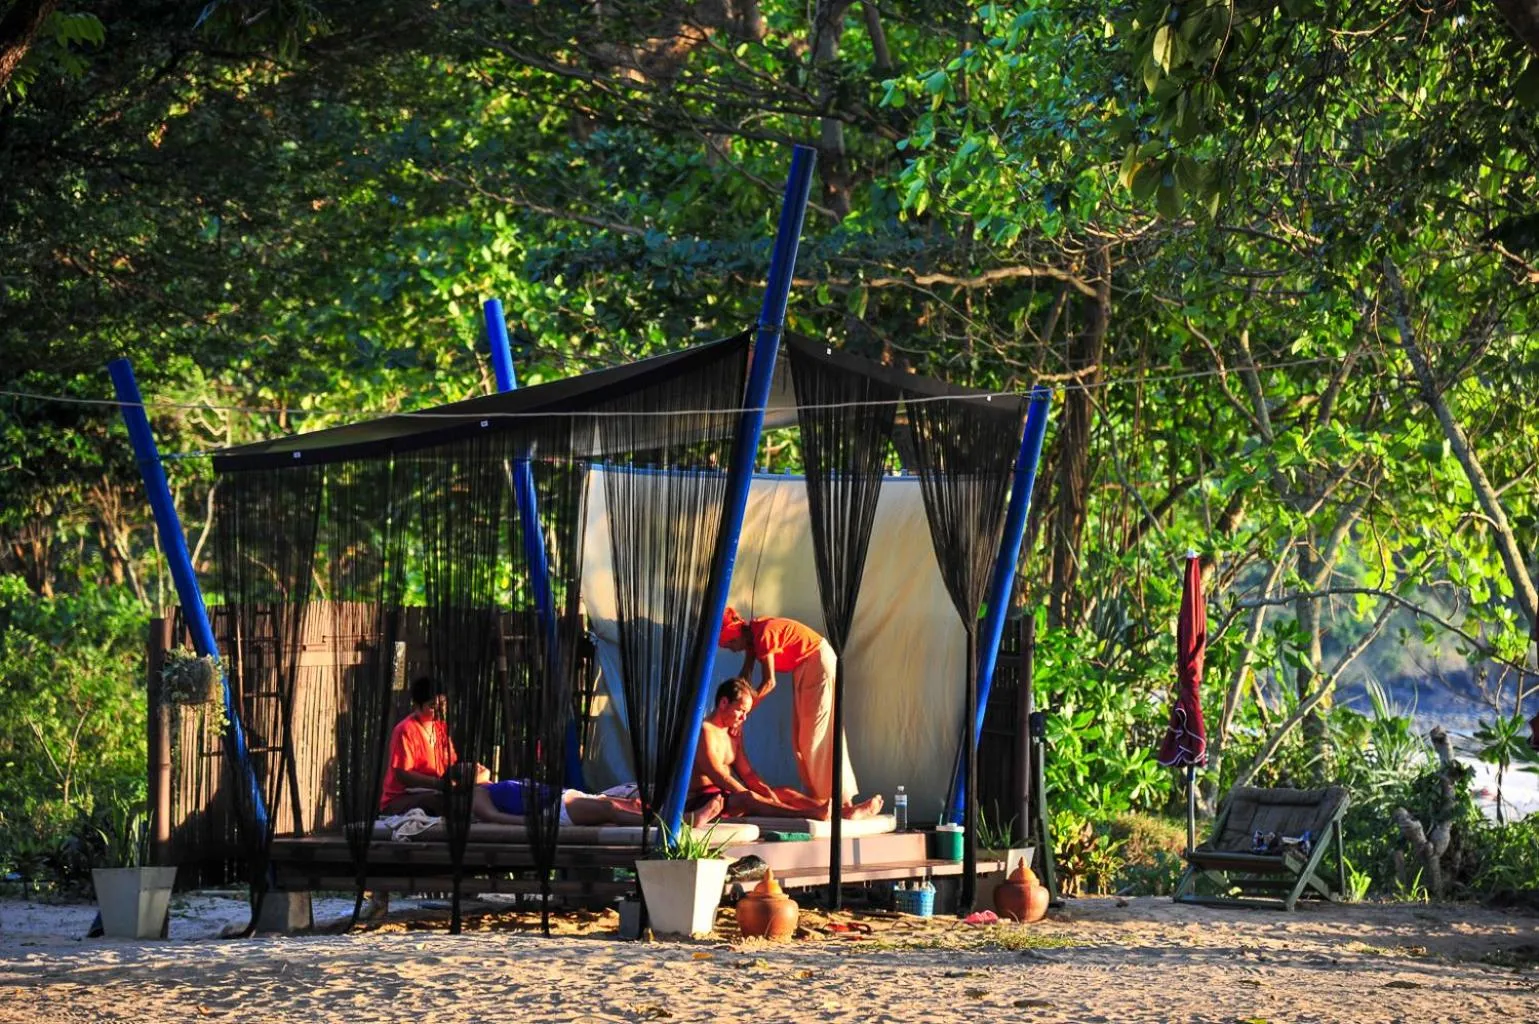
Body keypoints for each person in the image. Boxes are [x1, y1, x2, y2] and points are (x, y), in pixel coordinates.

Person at [718, 607, 859, 805]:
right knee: (800, 740)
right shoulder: (752, 640)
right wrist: (730, 704)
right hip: (805, 666)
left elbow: (769, 682)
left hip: (817, 661)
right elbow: (744, 680)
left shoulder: (763, 634)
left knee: (815, 737)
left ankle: (842, 803)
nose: (732, 650)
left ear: (736, 635)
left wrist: (742, 715)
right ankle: (818, 801)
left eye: (730, 644)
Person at [688, 678, 882, 821]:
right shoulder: (704, 732)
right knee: (747, 798)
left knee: (785, 792)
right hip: (704, 800)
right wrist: (753, 797)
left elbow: (747, 774)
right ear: (723, 703)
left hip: (727, 795)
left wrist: (767, 793)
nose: (744, 718)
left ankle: (844, 813)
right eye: (741, 711)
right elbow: (718, 775)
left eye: (747, 713)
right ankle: (808, 813)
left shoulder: (733, 734)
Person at [377, 677, 489, 815]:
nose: (441, 710)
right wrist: (438, 784)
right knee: (439, 801)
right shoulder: (405, 730)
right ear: (417, 706)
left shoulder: (440, 728)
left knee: (485, 789)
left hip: (438, 790)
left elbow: (451, 765)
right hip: (401, 799)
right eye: (433, 706)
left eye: (443, 704)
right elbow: (402, 774)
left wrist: (472, 771)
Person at [471, 780, 724, 828]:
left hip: (564, 797)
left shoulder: (490, 785)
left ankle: (679, 817)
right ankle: (682, 823)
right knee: (610, 811)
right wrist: (537, 824)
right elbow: (495, 817)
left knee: (633, 803)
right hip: (552, 811)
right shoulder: (477, 794)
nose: (474, 764)